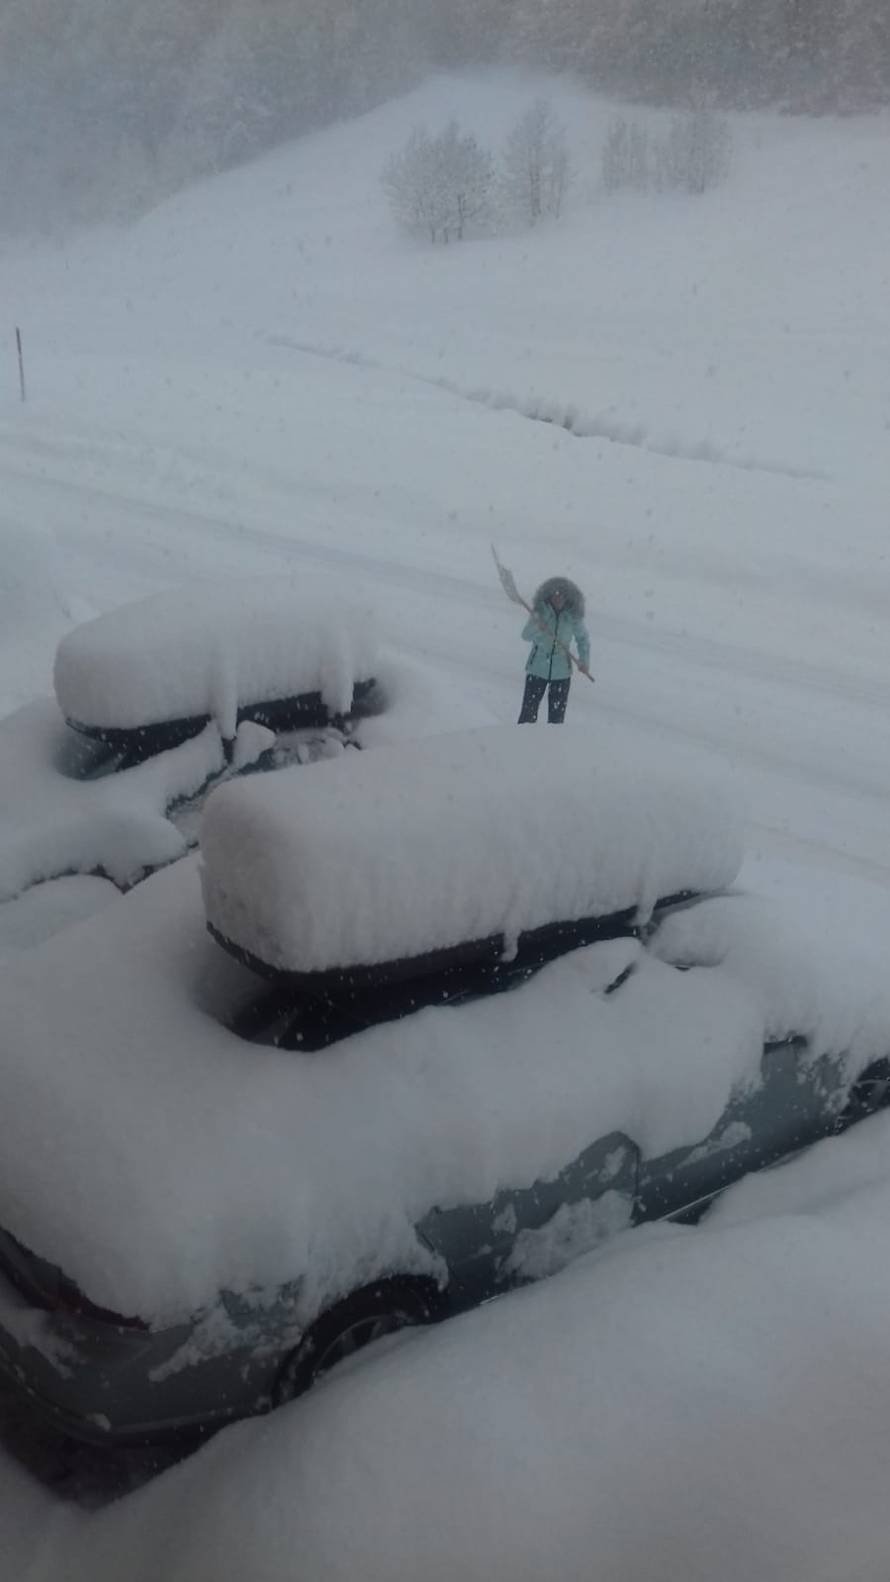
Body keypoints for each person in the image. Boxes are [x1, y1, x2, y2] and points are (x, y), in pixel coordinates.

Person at [518, 576, 591, 724]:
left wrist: (584, 661)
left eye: (561, 596)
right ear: (549, 596)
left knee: (556, 720)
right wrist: (538, 627)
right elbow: (525, 635)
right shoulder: (540, 613)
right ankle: (523, 743)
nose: (557, 599)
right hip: (537, 670)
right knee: (528, 715)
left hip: (561, 674)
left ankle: (552, 745)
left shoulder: (572, 617)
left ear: (567, 598)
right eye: (555, 596)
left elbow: (583, 639)